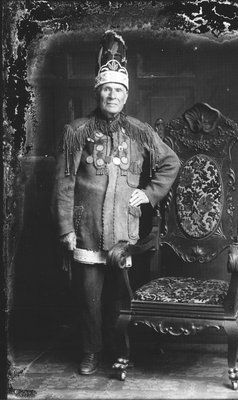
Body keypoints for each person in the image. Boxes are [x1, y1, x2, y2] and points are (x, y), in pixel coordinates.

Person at [52, 30, 180, 375]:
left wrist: (150, 193)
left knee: (119, 299)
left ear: (126, 95)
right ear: (98, 91)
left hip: (126, 229)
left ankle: (118, 352)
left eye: (118, 90)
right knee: (88, 299)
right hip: (87, 230)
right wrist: (65, 229)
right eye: (107, 89)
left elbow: (172, 162)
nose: (112, 95)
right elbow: (63, 184)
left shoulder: (140, 131)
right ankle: (91, 352)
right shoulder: (76, 131)